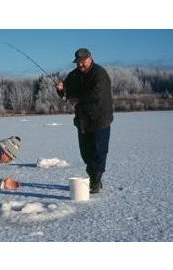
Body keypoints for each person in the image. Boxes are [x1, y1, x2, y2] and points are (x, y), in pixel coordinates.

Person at [56, 48, 113, 193]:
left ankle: (95, 181)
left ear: (90, 58)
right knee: (86, 152)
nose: (80, 65)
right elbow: (67, 94)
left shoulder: (100, 73)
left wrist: (78, 98)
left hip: (100, 119)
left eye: (83, 62)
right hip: (83, 120)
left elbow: (97, 94)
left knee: (99, 151)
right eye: (78, 62)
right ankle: (94, 178)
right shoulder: (74, 75)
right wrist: (61, 89)